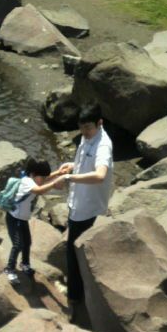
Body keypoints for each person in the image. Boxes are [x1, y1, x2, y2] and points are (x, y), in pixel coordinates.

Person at [56, 104, 114, 303]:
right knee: (78, 251)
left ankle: (74, 298)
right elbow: (85, 161)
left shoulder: (103, 145)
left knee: (74, 254)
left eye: (88, 128)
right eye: (82, 129)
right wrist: (73, 166)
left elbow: (100, 174)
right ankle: (83, 291)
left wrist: (71, 178)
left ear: (100, 123)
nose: (85, 133)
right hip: (78, 203)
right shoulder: (87, 136)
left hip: (88, 209)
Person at [4, 159, 65, 285]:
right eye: (41, 177)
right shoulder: (27, 182)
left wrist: (58, 173)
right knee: (18, 244)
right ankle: (9, 269)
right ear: (33, 173)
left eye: (44, 177)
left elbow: (44, 179)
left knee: (27, 242)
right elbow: (39, 191)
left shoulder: (31, 178)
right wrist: (54, 184)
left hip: (22, 219)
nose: (43, 179)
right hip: (14, 219)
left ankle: (25, 263)